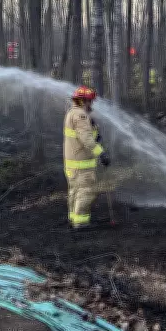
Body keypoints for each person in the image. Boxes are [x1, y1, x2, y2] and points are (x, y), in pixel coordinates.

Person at [63, 86, 111, 228]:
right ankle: (81, 223)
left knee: (74, 192)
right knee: (86, 192)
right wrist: (101, 153)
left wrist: (95, 132)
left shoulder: (72, 113)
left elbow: (81, 136)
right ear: (83, 101)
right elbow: (86, 139)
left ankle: (73, 219)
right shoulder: (81, 116)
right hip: (81, 164)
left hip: (72, 164)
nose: (91, 105)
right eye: (90, 101)